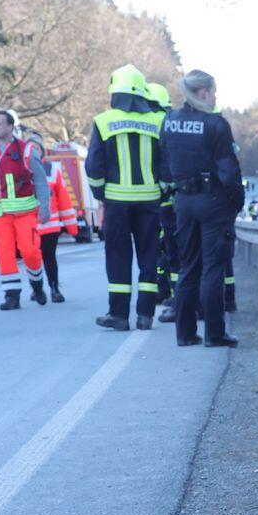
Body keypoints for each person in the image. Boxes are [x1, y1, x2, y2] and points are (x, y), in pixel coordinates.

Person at [160, 68, 242, 348]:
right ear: (204, 92)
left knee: (188, 266)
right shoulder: (216, 124)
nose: (215, 97)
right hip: (213, 201)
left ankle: (185, 333)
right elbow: (228, 170)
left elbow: (162, 161)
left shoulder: (170, 121)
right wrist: (236, 202)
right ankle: (214, 333)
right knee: (213, 267)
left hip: (183, 201)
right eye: (213, 92)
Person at [84, 64, 165, 331]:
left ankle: (119, 315)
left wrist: (100, 193)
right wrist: (163, 189)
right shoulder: (158, 121)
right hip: (150, 201)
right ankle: (145, 315)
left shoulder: (103, 121)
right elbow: (167, 163)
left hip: (116, 203)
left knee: (118, 256)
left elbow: (94, 165)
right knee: (149, 256)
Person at [0, 108, 51, 311]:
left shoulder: (26, 151)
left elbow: (40, 180)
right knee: (4, 253)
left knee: (30, 251)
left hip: (25, 212)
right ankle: (11, 295)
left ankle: (37, 286)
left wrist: (45, 207)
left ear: (10, 127)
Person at [146, 82, 181, 323]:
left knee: (166, 252)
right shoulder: (174, 122)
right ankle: (176, 295)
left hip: (161, 202)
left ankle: (171, 296)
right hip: (178, 200)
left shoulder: (155, 124)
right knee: (176, 252)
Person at [35, 147, 77, 303]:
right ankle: (37, 289)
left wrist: (71, 225)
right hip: (28, 225)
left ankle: (54, 289)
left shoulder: (52, 169)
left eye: (37, 148)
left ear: (42, 151)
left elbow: (63, 197)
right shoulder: (22, 169)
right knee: (32, 258)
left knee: (49, 257)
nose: (34, 151)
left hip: (50, 225)